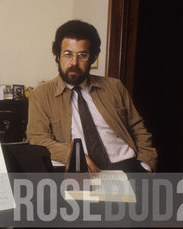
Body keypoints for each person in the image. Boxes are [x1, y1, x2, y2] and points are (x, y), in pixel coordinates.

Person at [27, 20, 157, 173]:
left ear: (93, 58)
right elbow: (38, 139)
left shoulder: (115, 87)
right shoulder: (41, 94)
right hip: (79, 168)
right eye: (67, 54)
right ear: (58, 56)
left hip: (126, 165)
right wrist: (73, 155)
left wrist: (146, 165)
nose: (74, 62)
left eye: (82, 55)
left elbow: (137, 128)